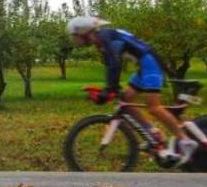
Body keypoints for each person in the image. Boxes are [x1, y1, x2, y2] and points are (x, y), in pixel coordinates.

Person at [66, 16, 199, 165]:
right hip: (145, 65)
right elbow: (112, 65)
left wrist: (109, 89)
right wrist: (110, 89)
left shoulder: (103, 38)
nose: (74, 40)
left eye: (75, 36)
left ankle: (185, 140)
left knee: (154, 107)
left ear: (83, 32)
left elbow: (114, 64)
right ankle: (154, 134)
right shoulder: (103, 37)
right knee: (125, 101)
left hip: (150, 64)